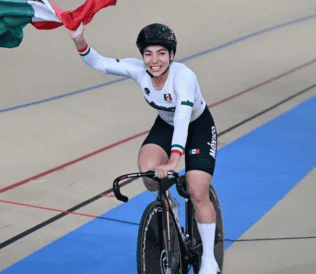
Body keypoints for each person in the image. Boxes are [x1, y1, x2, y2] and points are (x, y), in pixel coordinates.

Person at [69, 22, 220, 274]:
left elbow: (183, 120)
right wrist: (79, 41)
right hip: (166, 124)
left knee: (197, 191)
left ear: (171, 55)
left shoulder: (183, 77)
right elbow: (101, 64)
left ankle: (209, 260)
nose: (154, 60)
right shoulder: (138, 70)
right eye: (148, 53)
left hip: (197, 127)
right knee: (148, 172)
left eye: (161, 53)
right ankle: (170, 202)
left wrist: (173, 160)